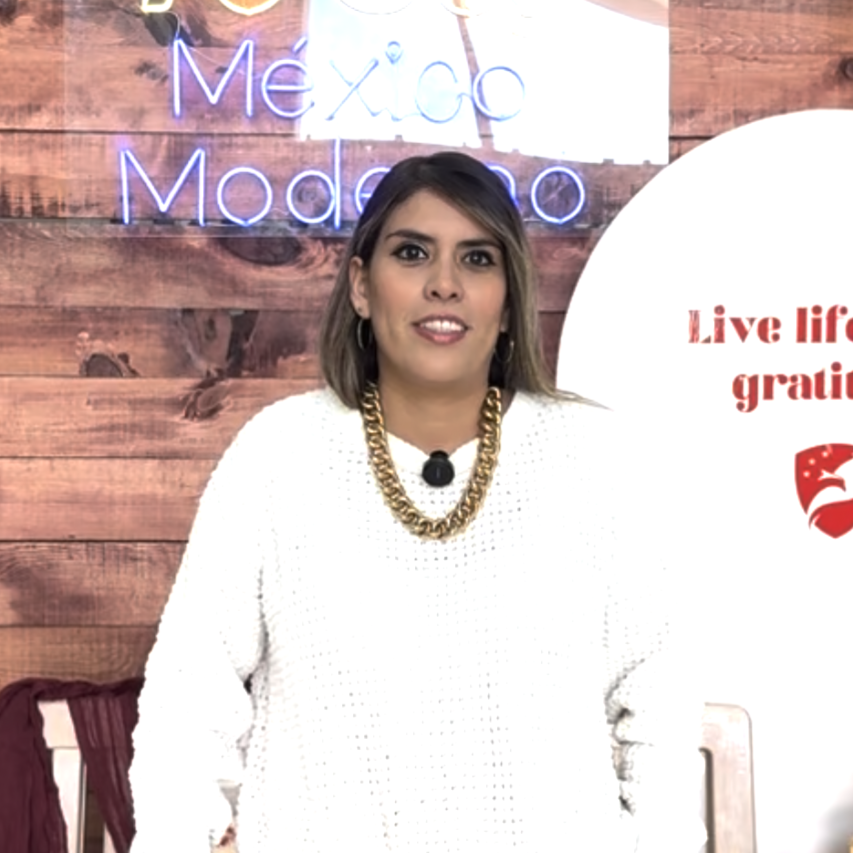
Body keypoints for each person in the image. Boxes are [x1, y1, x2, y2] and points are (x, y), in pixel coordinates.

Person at [128, 151, 705, 853]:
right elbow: (188, 698)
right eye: (412, 253)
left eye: (477, 259)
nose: (444, 284)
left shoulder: (594, 458)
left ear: (508, 299)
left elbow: (659, 706)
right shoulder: (277, 457)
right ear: (361, 286)